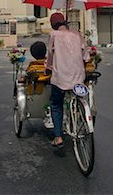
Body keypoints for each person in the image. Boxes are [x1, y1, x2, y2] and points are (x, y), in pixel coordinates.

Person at [45, 12, 90, 148]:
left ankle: (58, 136)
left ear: (53, 25)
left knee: (56, 104)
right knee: (78, 97)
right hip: (78, 77)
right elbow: (86, 56)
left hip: (61, 78)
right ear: (65, 22)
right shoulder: (77, 34)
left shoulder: (53, 35)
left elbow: (50, 55)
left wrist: (47, 67)